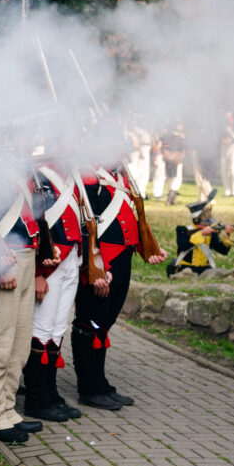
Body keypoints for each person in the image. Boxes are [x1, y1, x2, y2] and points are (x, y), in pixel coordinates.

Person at [71, 162, 169, 407]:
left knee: (104, 322)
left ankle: (100, 382)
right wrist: (99, 266)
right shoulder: (89, 177)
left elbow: (126, 218)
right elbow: (86, 225)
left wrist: (146, 247)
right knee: (90, 321)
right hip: (101, 261)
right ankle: (89, 388)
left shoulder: (119, 175)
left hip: (123, 256)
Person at [0, 170, 46, 444]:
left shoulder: (21, 167)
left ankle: (7, 407)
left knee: (19, 344)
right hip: (8, 256)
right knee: (1, 340)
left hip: (27, 253)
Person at [20, 162, 84, 423]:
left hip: (70, 259)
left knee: (57, 330)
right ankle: (36, 399)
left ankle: (50, 392)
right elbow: (33, 222)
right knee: (42, 330)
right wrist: (37, 272)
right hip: (48, 264)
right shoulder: (37, 172)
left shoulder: (72, 174)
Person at [166, 191, 233, 276]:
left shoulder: (211, 233)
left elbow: (223, 251)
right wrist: (202, 233)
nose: (208, 224)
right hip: (185, 268)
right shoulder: (182, 230)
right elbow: (183, 245)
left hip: (205, 270)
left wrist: (227, 234)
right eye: (205, 223)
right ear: (197, 220)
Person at [219, 112, 234, 197]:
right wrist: (222, 140)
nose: (227, 119)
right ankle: (227, 190)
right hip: (223, 147)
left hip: (233, 147)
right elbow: (218, 136)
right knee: (224, 170)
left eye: (229, 117)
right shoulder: (222, 126)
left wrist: (232, 140)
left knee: (233, 169)